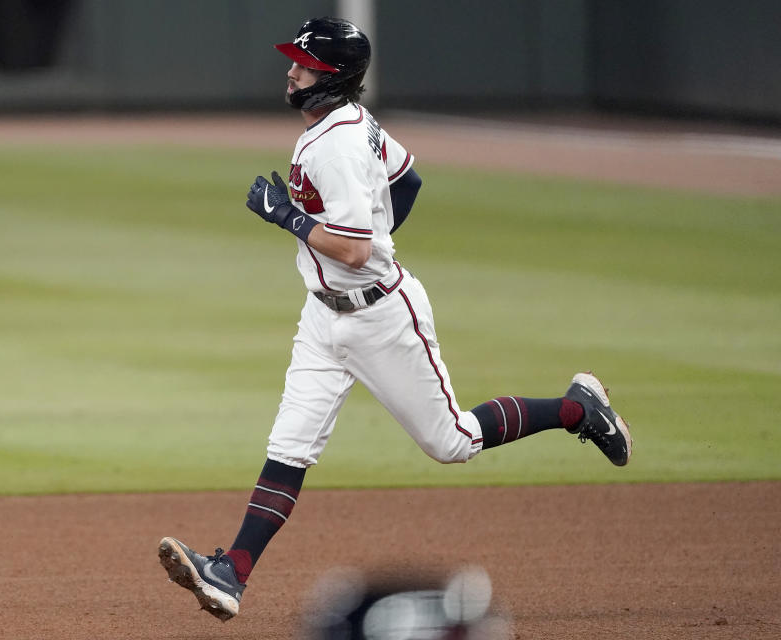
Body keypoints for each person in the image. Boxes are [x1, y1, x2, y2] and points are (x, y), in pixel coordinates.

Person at [158, 17, 631, 622]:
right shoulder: (352, 124)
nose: (291, 70)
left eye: (304, 64)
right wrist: (370, 235)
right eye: (295, 61)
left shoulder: (336, 144)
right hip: (323, 320)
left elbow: (355, 251)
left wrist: (288, 218)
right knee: (290, 445)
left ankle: (578, 408)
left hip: (382, 318)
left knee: (452, 441)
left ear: (331, 78)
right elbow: (407, 179)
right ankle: (232, 574)